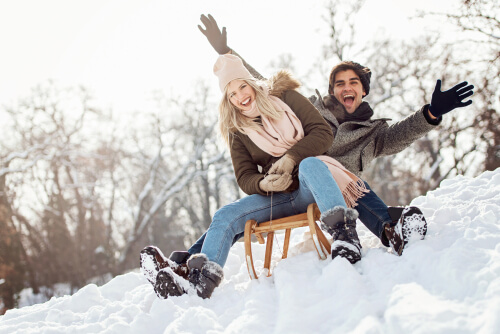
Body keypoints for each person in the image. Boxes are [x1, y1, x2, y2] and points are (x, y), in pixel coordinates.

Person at [195, 14, 474, 255]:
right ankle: (191, 259)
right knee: (233, 215)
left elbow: (402, 134)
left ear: (363, 90)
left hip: (342, 195)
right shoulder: (311, 111)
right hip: (295, 185)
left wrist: (431, 114)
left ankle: (391, 230)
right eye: (339, 83)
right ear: (332, 90)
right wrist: (227, 53)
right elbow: (258, 86)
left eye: (353, 82)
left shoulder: (372, 134)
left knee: (350, 184)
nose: (346, 87)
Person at [141, 53, 371, 299]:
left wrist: (291, 158)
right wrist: (263, 183)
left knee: (311, 165)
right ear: (228, 100)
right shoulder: (237, 131)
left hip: (311, 188)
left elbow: (323, 133)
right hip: (277, 196)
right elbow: (244, 176)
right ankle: (197, 283)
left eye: (242, 86)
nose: (240, 96)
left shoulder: (286, 98)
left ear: (252, 83)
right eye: (232, 94)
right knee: (225, 215)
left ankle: (345, 238)